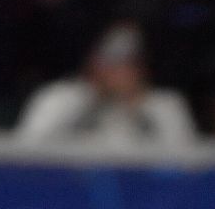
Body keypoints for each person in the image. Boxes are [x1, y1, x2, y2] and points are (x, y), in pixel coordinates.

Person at [15, 20, 197, 147]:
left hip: (146, 195)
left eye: (128, 61)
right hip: (70, 192)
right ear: (92, 61)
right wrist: (90, 101)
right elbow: (27, 152)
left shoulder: (166, 105)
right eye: (110, 60)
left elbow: (187, 164)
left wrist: (138, 109)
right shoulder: (58, 98)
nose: (117, 70)